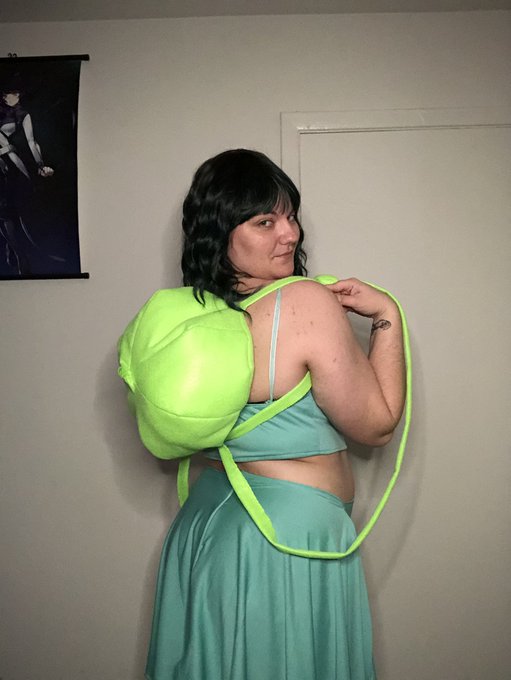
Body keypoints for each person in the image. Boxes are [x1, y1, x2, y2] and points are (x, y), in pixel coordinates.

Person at [143, 149, 406, 680]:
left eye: (291, 217)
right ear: (222, 232)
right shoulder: (303, 302)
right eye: (265, 221)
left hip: (208, 528)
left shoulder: (196, 314)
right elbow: (377, 424)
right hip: (283, 538)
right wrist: (386, 315)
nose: (289, 234)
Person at [0, 87, 54, 274]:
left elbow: (31, 141)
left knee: (13, 208)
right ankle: (18, 252)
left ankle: (17, 248)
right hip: (5, 159)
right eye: (9, 93)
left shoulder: (23, 114)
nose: (13, 96)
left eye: (16, 93)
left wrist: (40, 164)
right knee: (4, 212)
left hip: (12, 163)